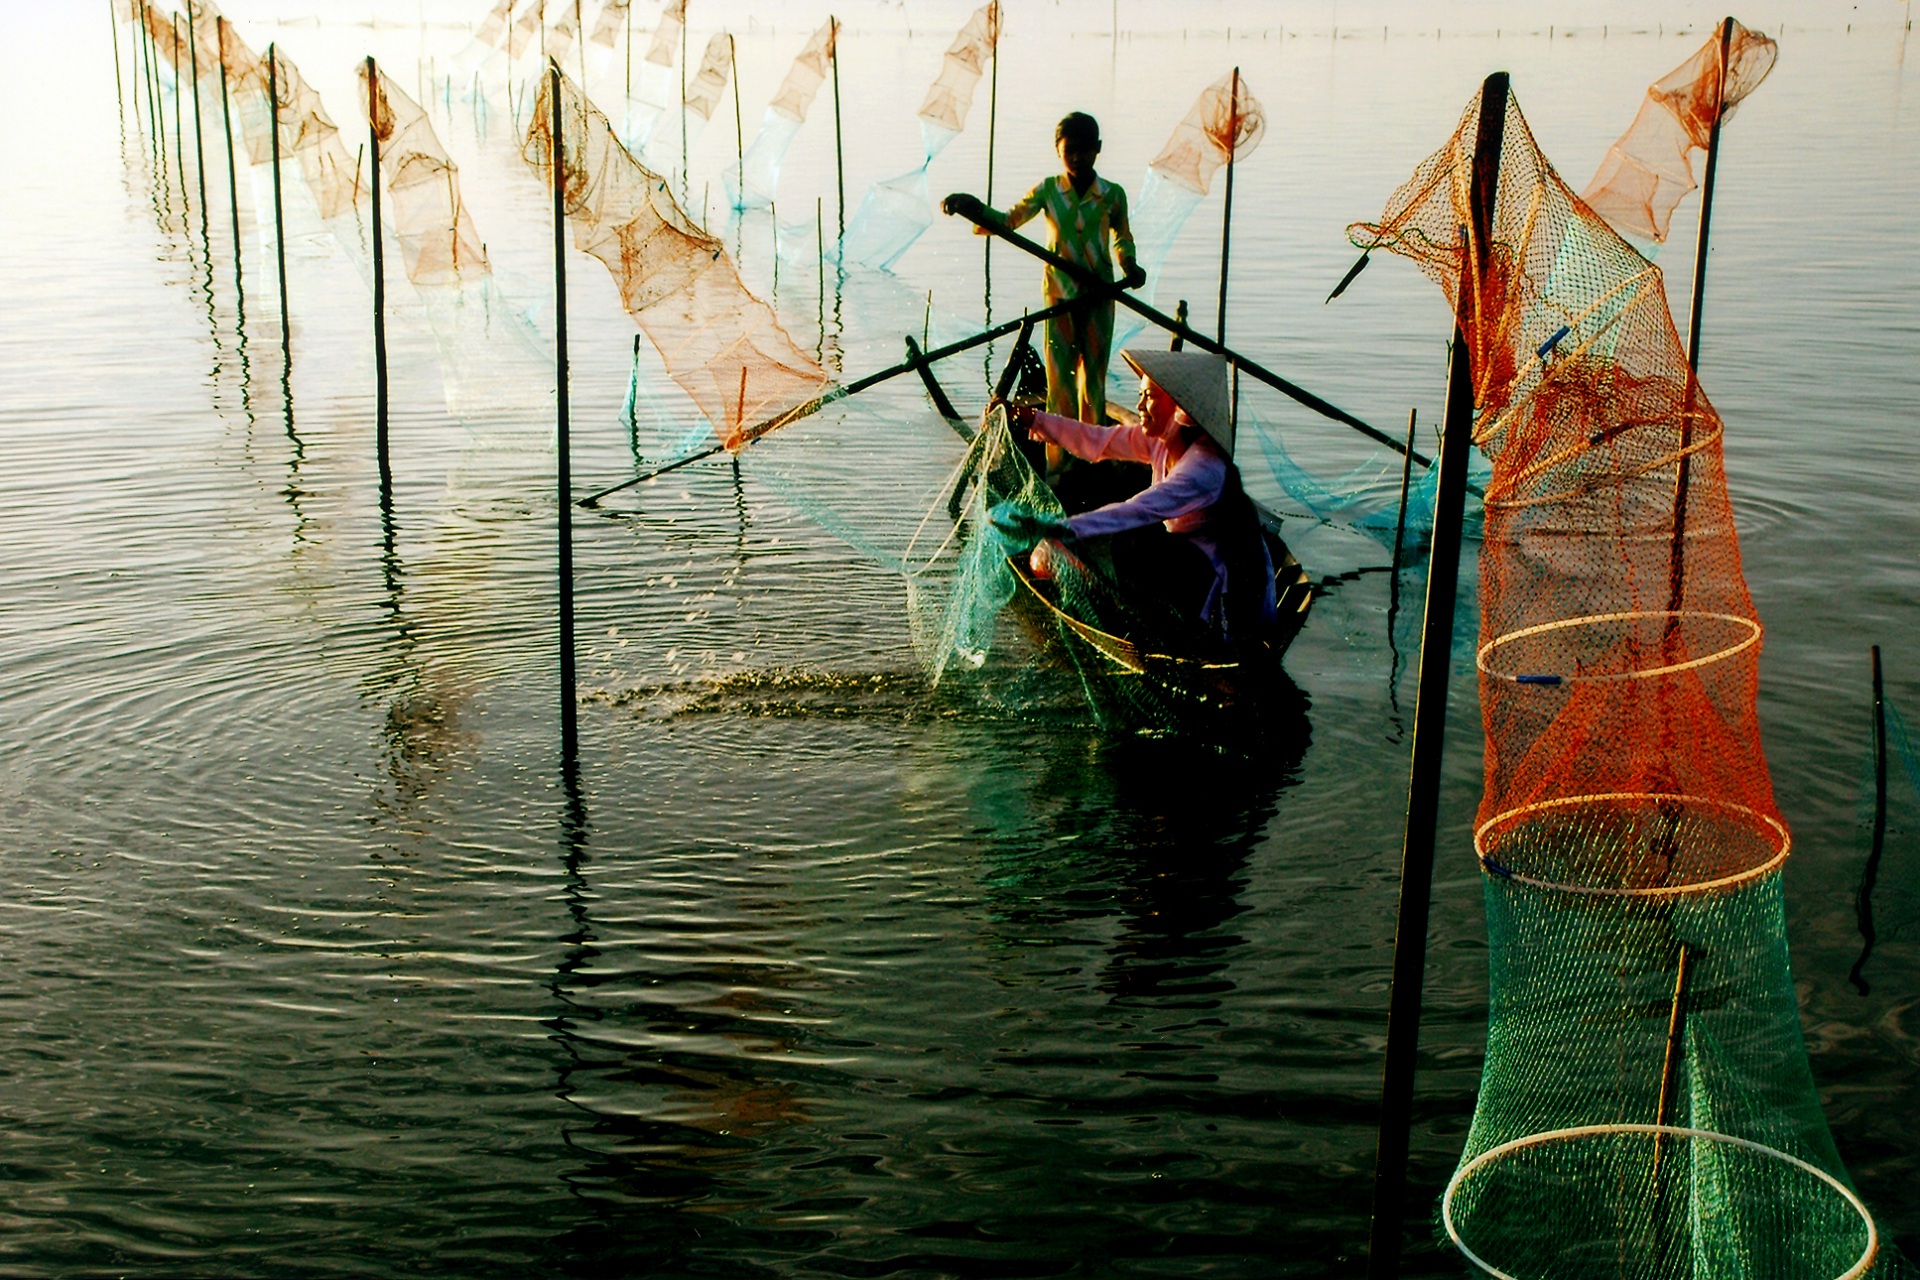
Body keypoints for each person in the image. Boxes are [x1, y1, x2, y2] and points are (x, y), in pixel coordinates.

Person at [1000, 348, 1277, 641]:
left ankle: (1189, 630)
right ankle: (1138, 614)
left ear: (1180, 411)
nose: (1139, 405)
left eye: (1151, 397)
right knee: (1125, 538)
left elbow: (1140, 509)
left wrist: (1061, 528)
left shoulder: (1205, 467)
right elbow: (1098, 441)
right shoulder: (1160, 441)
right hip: (1189, 566)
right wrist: (1033, 419)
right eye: (1141, 395)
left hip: (1223, 586)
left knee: (1134, 538)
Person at [943, 113, 1145, 444]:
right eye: (1070, 151)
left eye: (1085, 151)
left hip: (1099, 297)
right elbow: (1009, 220)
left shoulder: (1112, 194)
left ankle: (1093, 457)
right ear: (1058, 151)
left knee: (1093, 384)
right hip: (1059, 298)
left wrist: (1130, 265)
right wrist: (974, 207)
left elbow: (1122, 236)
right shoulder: (1049, 190)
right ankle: (1060, 462)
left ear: (1098, 149)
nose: (1078, 158)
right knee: (1060, 385)